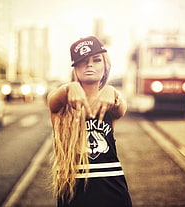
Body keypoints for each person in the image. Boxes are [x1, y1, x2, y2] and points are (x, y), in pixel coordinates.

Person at [47, 36, 132, 207]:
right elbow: (52, 101)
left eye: (96, 60)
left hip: (113, 193)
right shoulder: (62, 106)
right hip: (73, 194)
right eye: (82, 61)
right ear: (75, 68)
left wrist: (112, 91)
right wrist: (69, 88)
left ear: (105, 65)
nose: (90, 64)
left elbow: (121, 108)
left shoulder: (109, 104)